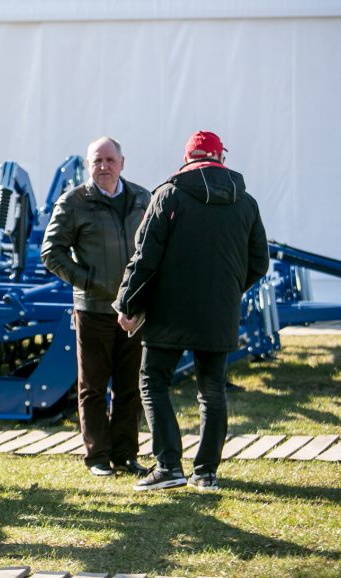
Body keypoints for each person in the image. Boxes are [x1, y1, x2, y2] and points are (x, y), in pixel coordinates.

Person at [113, 131, 269, 492]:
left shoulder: (169, 195)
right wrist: (228, 291)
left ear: (187, 159)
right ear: (220, 159)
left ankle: (169, 467)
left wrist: (127, 303)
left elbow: (145, 257)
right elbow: (259, 261)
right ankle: (206, 473)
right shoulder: (246, 203)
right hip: (219, 313)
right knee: (212, 390)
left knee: (153, 382)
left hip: (168, 310)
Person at [41, 136, 151, 478]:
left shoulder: (142, 199)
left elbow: (154, 246)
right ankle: (98, 457)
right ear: (89, 166)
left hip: (132, 311)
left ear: (122, 161)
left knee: (130, 387)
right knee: (93, 387)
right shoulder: (74, 202)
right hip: (93, 310)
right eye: (96, 161)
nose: (103, 167)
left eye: (109, 160)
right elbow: (51, 252)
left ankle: (126, 456)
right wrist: (86, 281)